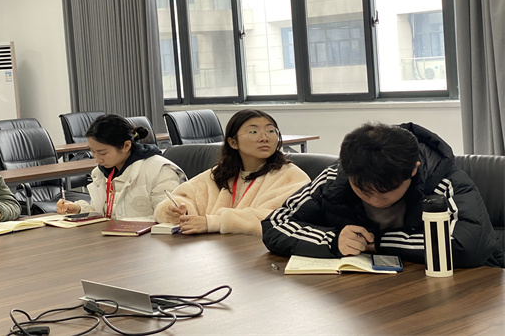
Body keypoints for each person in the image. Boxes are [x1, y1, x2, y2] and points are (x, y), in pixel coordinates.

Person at [262, 122, 504, 268]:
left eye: (387, 191)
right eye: (363, 191)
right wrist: (332, 240)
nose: (376, 201)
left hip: (465, 286)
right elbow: (276, 223)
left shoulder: (444, 180)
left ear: (414, 170)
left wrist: (379, 243)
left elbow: (467, 244)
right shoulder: (336, 176)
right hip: (370, 290)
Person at [154, 110, 310, 235]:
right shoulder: (221, 173)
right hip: (217, 252)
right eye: (253, 132)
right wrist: (177, 210)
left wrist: (214, 223)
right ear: (233, 142)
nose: (264, 138)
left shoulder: (291, 176)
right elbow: (183, 196)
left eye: (270, 130)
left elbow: (277, 219)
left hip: (260, 253)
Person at [56, 114, 186, 220]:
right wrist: (79, 209)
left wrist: (170, 213)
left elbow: (166, 217)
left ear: (126, 146)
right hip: (114, 238)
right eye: (92, 152)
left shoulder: (160, 171)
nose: (97, 159)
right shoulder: (102, 172)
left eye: (103, 153)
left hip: (148, 241)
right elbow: (104, 212)